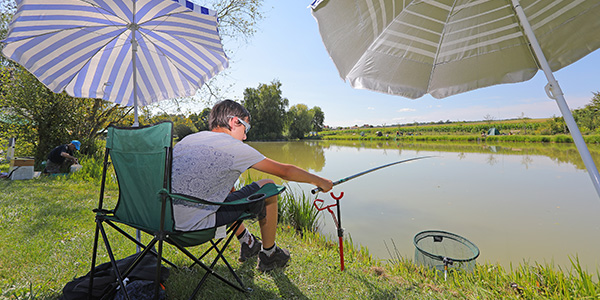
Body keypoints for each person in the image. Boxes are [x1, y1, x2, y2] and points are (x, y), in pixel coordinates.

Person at [171, 100, 333, 272]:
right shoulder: (233, 147)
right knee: (269, 187)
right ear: (235, 122)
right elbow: (285, 171)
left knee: (227, 188)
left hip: (164, 222)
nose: (245, 137)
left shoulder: (186, 140)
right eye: (245, 129)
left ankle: (247, 242)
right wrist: (321, 182)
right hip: (191, 226)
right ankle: (269, 255)